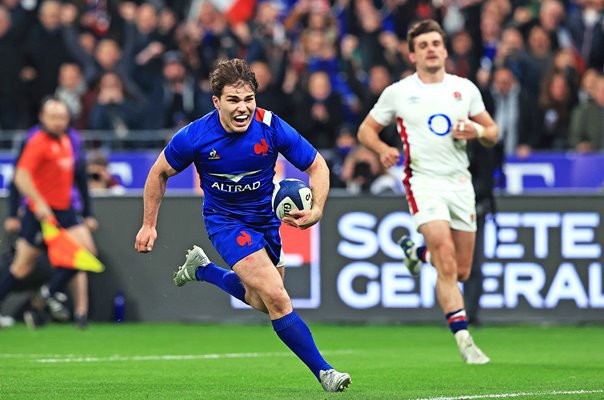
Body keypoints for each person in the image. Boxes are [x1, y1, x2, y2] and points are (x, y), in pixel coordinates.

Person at [134, 58, 351, 392]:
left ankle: (203, 270)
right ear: (217, 101)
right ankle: (325, 372)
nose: (243, 107)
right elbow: (159, 172)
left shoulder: (272, 127)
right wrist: (149, 224)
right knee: (279, 299)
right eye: (233, 100)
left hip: (266, 220)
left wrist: (318, 209)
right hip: (226, 222)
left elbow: (317, 165)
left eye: (248, 99)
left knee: (262, 301)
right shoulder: (195, 136)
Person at [357, 19, 498, 364]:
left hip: (459, 183)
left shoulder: (464, 89)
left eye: (436, 43)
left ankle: (415, 254)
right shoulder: (399, 92)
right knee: (446, 260)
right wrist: (381, 149)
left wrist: (477, 131)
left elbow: (494, 132)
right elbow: (365, 131)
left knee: (461, 270)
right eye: (423, 45)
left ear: (445, 49)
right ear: (412, 54)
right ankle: (465, 340)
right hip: (422, 181)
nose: (431, 48)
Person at [0, 96, 98, 328]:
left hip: (64, 211)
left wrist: (85, 211)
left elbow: (79, 177)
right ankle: (41, 298)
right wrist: (38, 202)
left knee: (86, 254)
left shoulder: (67, 140)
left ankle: (45, 296)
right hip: (39, 215)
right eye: (53, 117)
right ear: (43, 118)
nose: (58, 122)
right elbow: (20, 176)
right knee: (21, 267)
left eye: (62, 117)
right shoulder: (38, 142)